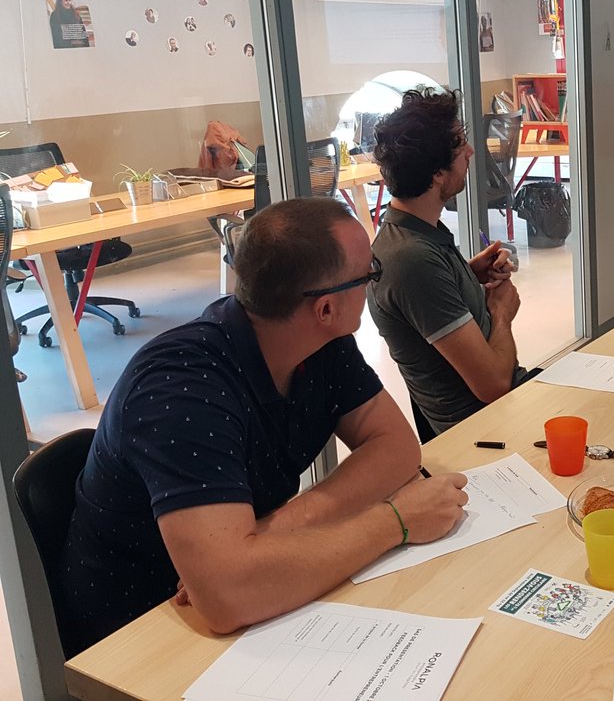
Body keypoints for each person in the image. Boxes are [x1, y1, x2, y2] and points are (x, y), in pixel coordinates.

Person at [57, 198, 469, 655]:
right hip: (138, 633)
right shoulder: (180, 391)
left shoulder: (319, 341)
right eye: (369, 274)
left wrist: (273, 533)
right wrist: (396, 522)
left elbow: (395, 447)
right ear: (326, 308)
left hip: (234, 594)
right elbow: (228, 598)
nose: (374, 281)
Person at [368, 87, 522, 436]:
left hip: (504, 411)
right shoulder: (412, 260)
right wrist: (502, 314)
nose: (470, 152)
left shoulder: (415, 232)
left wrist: (465, 274)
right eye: (460, 145)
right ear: (437, 172)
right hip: (487, 432)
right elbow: (494, 386)